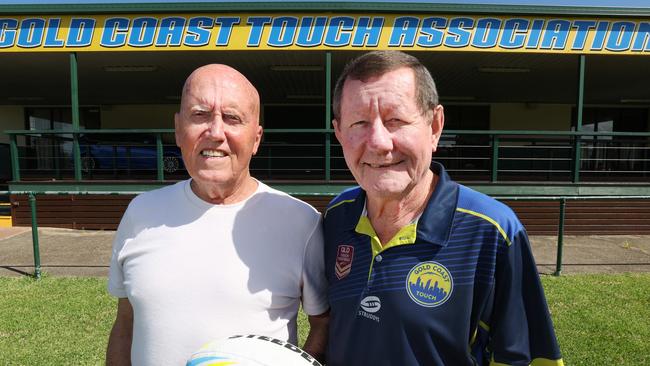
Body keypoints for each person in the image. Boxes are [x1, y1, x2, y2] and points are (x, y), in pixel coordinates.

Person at [323, 51, 563, 365]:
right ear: (339, 132)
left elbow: (527, 358)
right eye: (359, 123)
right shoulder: (337, 215)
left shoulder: (492, 230)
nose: (379, 142)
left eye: (396, 120)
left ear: (435, 126)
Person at [106, 64, 329, 366]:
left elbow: (323, 324)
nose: (215, 132)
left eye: (233, 118)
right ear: (178, 128)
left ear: (257, 138)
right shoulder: (140, 213)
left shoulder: (301, 223)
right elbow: (126, 322)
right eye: (199, 115)